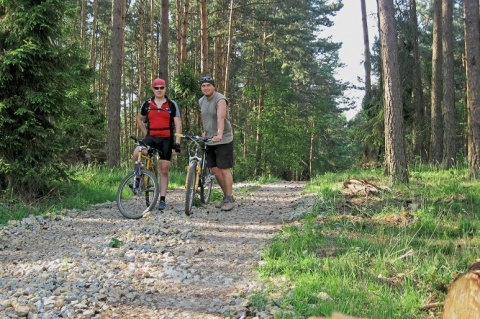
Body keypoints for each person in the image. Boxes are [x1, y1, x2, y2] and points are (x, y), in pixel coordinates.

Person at [133, 78, 182, 210]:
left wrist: (177, 143)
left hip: (166, 139)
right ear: (152, 89)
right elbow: (139, 118)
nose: (159, 90)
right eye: (156, 88)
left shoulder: (172, 104)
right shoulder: (147, 104)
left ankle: (162, 198)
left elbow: (178, 123)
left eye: (161, 87)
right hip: (151, 136)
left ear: (165, 88)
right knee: (137, 151)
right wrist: (145, 133)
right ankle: (137, 179)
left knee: (164, 169)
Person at [199, 76, 235, 211]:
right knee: (214, 169)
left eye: (208, 85)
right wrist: (205, 131)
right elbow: (205, 117)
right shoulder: (201, 101)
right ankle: (226, 196)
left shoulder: (220, 99)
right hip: (210, 139)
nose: (206, 88)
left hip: (224, 138)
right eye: (203, 86)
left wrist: (219, 134)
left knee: (224, 168)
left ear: (214, 87)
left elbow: (220, 117)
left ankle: (229, 198)